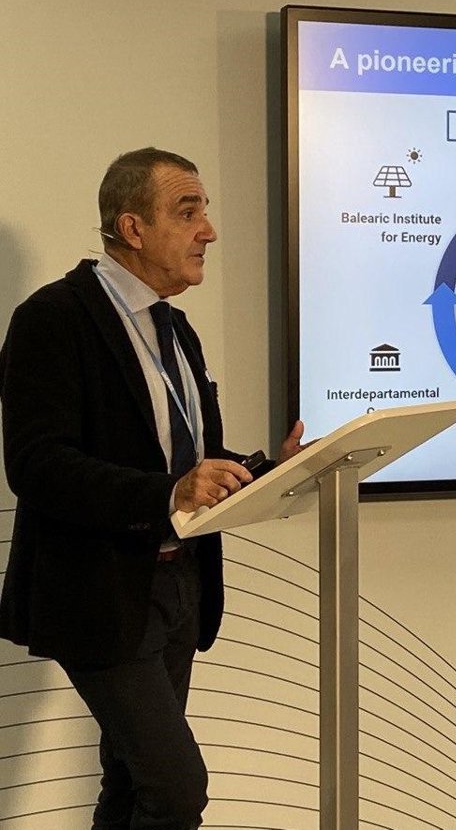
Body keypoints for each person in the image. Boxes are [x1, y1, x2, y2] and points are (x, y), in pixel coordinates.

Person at [0, 147, 304, 829]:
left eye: (205, 212)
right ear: (132, 228)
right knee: (175, 789)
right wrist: (167, 494)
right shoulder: (54, 318)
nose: (209, 232)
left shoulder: (174, 327)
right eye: (187, 213)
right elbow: (38, 465)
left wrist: (270, 468)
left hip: (176, 587)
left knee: (132, 784)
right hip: (99, 590)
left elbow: (183, 458)